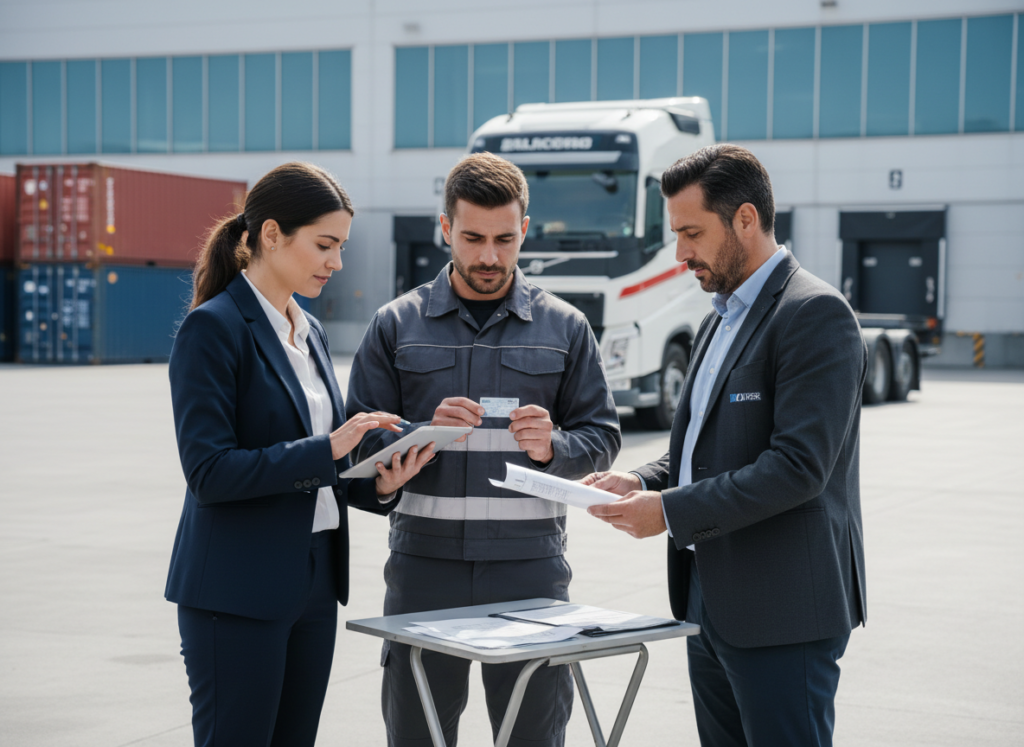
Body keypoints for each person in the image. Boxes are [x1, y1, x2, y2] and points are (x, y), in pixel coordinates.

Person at [583, 144, 867, 747]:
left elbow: (797, 468)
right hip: (708, 601)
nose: (680, 252)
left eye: (691, 232)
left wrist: (668, 512)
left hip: (782, 612)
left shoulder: (814, 313)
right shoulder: (719, 317)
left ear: (744, 218)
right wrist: (643, 481)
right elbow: (702, 451)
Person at [346, 152, 622, 747]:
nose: (489, 256)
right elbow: (356, 448)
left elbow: (603, 439)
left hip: (531, 571)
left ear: (525, 229)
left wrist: (555, 447)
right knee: (417, 736)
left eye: (504, 238)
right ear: (444, 228)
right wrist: (417, 433)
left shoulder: (567, 327)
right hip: (424, 570)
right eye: (472, 237)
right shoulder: (395, 325)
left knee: (533, 737)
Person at [165, 162, 434, 747]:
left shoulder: (307, 329)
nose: (336, 262)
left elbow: (324, 468)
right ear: (270, 235)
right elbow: (209, 473)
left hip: (313, 581)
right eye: (324, 245)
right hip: (236, 590)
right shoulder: (213, 329)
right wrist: (329, 447)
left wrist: (381, 481)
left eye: (340, 246)